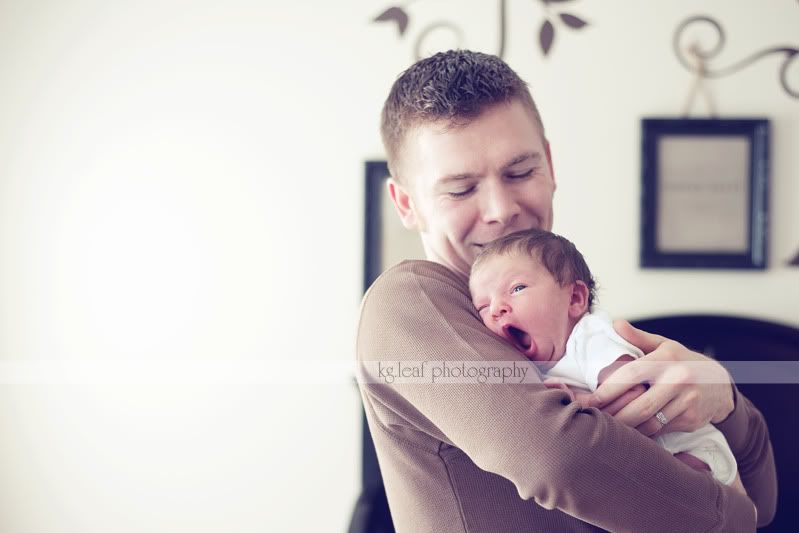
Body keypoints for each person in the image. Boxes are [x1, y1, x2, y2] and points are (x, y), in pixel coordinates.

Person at [356, 49, 776, 532]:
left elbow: (764, 494)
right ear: (406, 204)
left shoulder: (573, 335)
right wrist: (734, 518)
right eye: (460, 189)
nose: (501, 208)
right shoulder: (409, 301)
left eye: (519, 172)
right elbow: (558, 459)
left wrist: (723, 400)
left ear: (550, 165)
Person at [468, 227, 744, 492]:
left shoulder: (590, 337)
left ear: (575, 298)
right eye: (483, 306)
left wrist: (580, 403)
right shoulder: (527, 363)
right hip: (656, 455)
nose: (496, 309)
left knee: (678, 493)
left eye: (517, 289)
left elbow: (634, 396)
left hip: (693, 449)